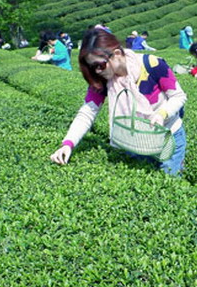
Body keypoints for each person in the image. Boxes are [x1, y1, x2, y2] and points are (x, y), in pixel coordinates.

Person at [50, 28, 187, 176]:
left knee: (169, 178)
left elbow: (178, 96)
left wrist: (161, 114)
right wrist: (68, 144)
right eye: (92, 67)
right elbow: (87, 112)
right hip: (135, 141)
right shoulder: (103, 80)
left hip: (168, 136)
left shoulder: (152, 64)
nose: (97, 71)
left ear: (116, 54)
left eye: (100, 65)